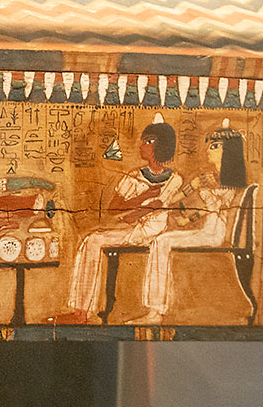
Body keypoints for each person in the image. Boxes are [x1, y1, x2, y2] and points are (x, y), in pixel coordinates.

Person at [53, 114, 182, 324]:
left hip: (155, 233)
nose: (142, 145)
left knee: (94, 241)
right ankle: (81, 311)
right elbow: (114, 208)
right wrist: (143, 198)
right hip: (134, 231)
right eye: (143, 140)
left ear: (162, 145)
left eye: (148, 141)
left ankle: (82, 312)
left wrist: (138, 212)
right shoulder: (134, 175)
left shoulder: (175, 180)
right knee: (91, 241)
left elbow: (158, 209)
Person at [132, 119, 247, 324]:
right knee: (160, 241)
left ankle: (156, 311)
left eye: (214, 146)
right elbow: (186, 195)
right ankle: (154, 309)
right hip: (207, 230)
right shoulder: (209, 177)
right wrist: (169, 203)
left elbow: (211, 209)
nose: (208, 150)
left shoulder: (231, 182)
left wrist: (187, 218)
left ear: (228, 151)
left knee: (162, 242)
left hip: (216, 234)